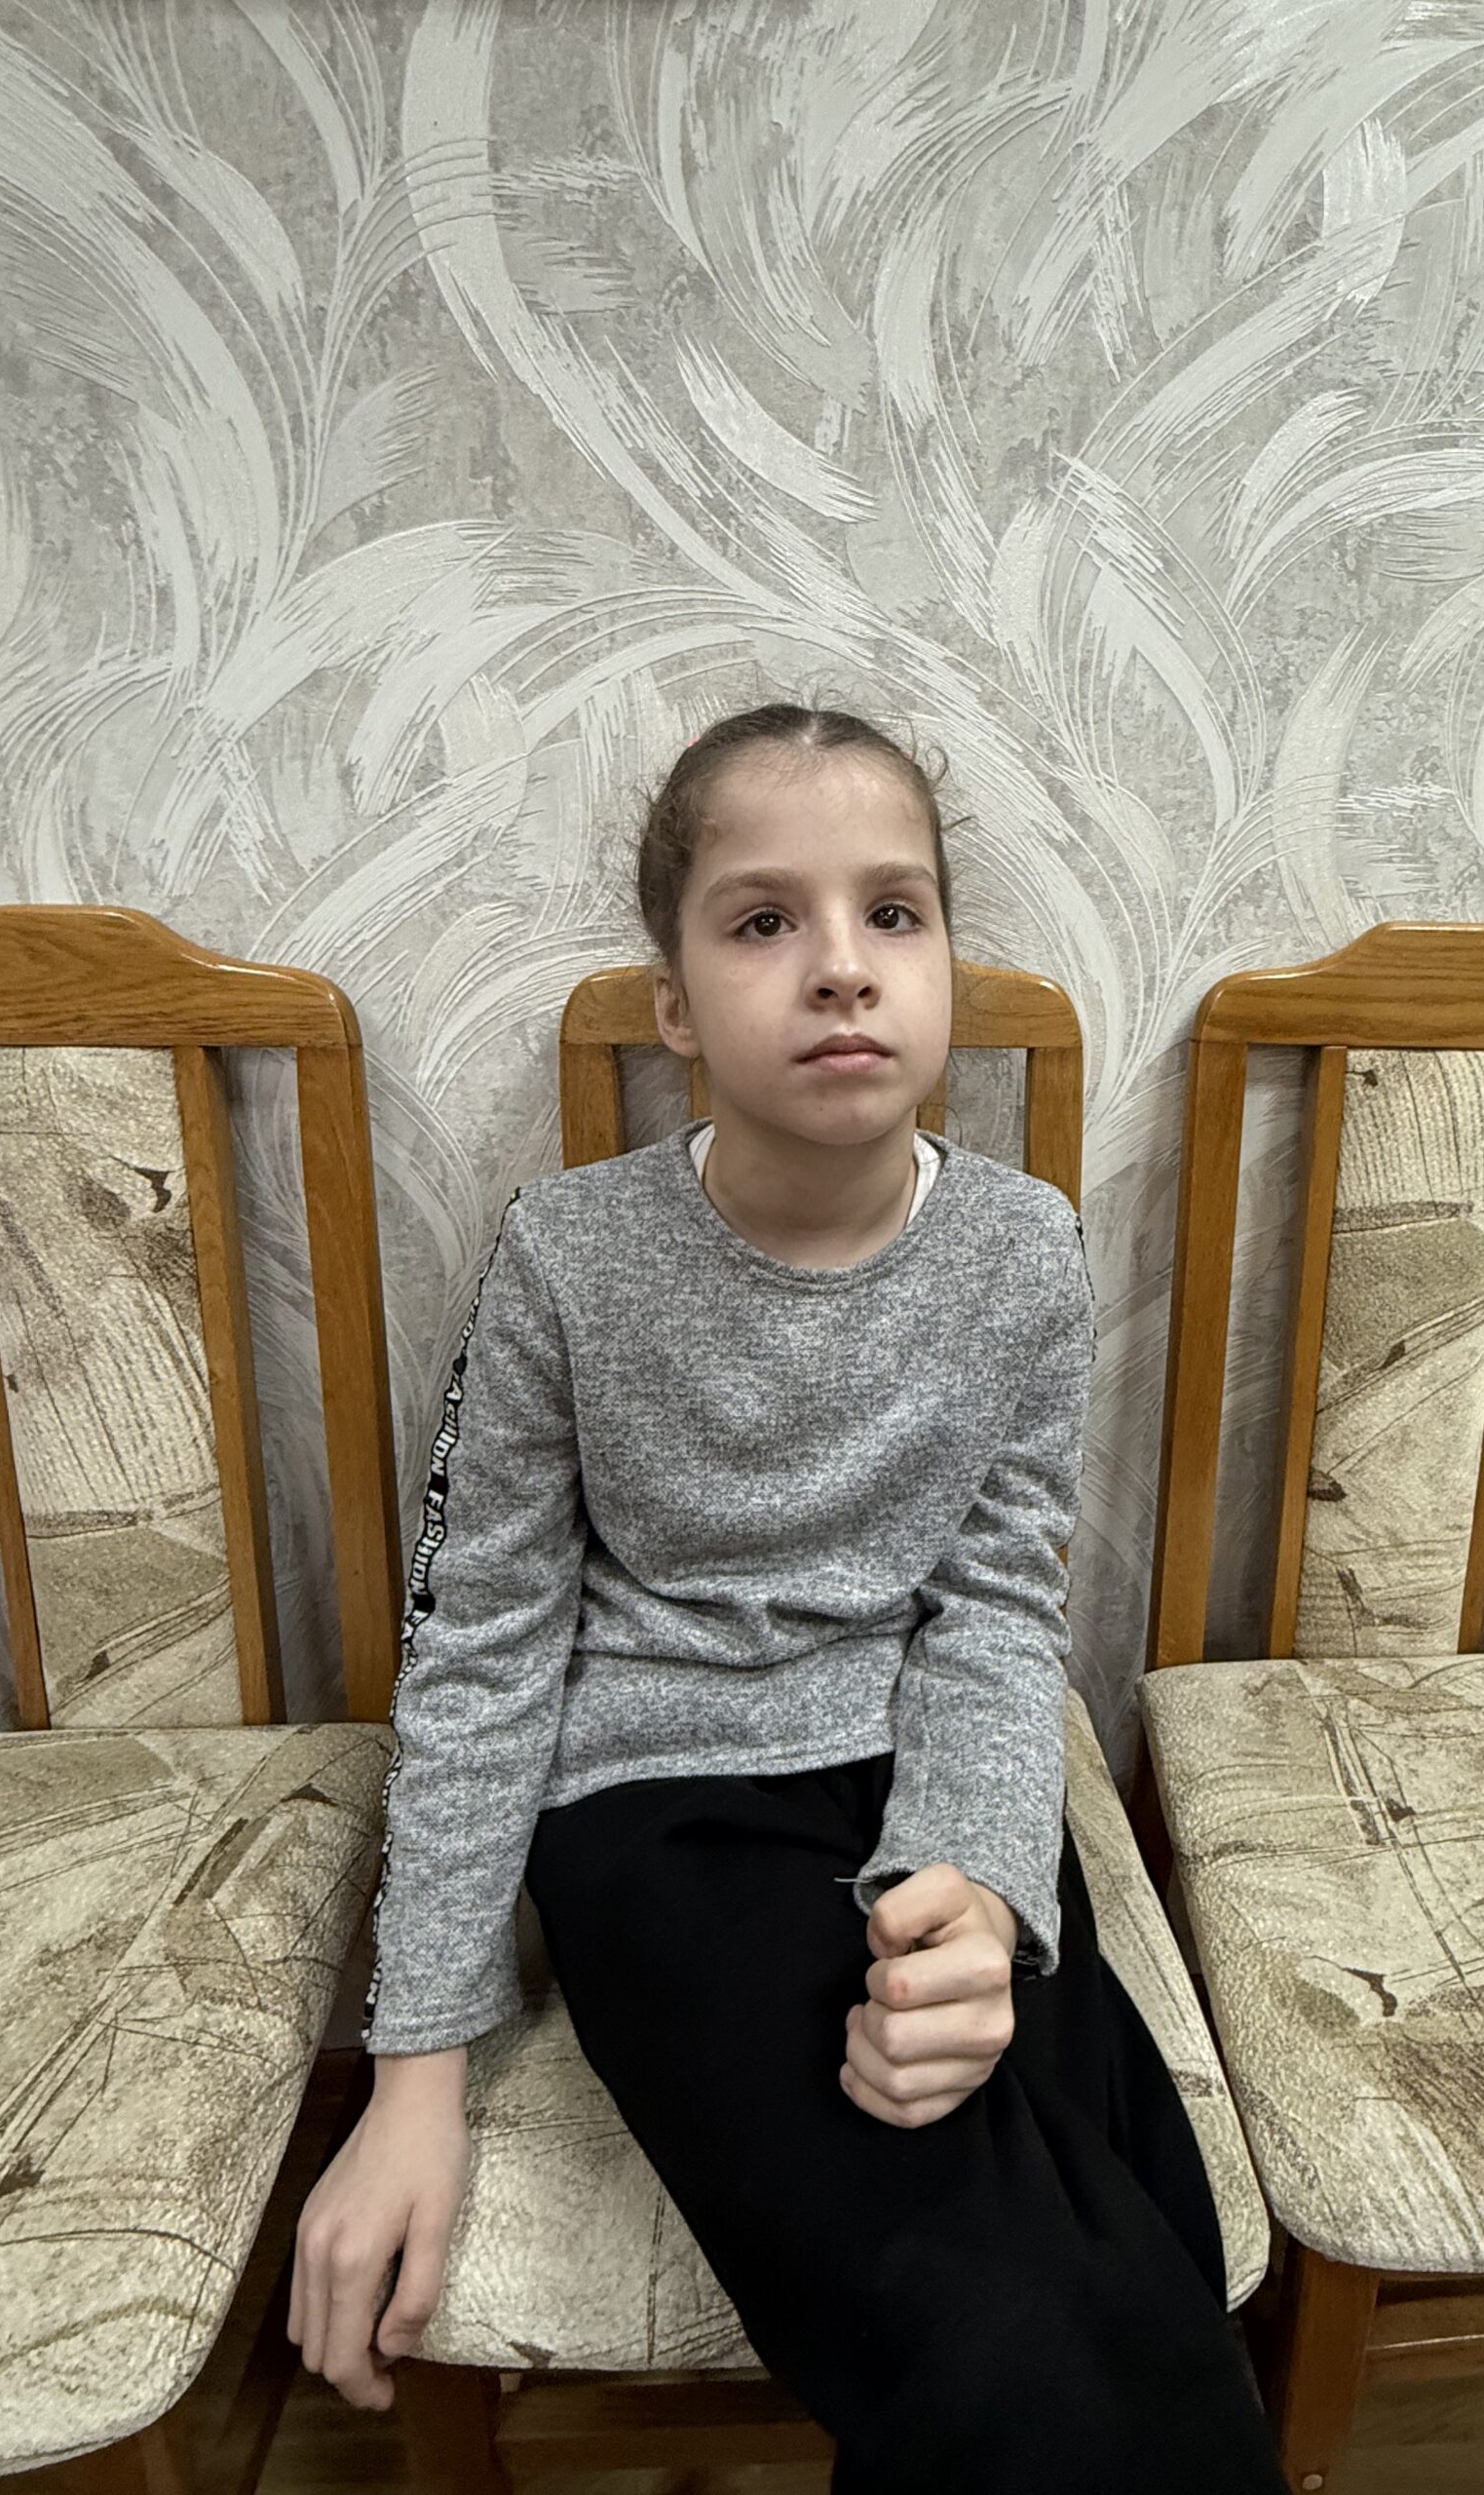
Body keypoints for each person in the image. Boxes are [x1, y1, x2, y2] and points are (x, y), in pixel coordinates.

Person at [286, 703, 1285, 2494]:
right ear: (673, 1000)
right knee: (995, 2329)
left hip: (918, 1772)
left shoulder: (1025, 1249)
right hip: (657, 1815)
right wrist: (411, 2067)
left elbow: (992, 1606)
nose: (840, 967)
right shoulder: (560, 1257)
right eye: (763, 922)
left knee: (1159, 2238)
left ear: (948, 964)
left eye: (892, 914)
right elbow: (484, 1652)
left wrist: (969, 1882)